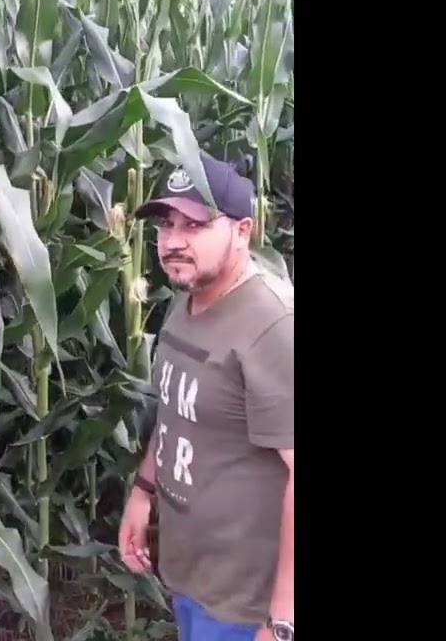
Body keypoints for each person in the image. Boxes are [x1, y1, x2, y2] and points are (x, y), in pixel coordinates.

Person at [118, 153, 294, 641]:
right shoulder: (188, 300)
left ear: (243, 231)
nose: (173, 241)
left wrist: (283, 619)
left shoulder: (273, 326)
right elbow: (177, 412)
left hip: (246, 604)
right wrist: (143, 492)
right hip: (192, 578)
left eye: (195, 225)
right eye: (166, 224)